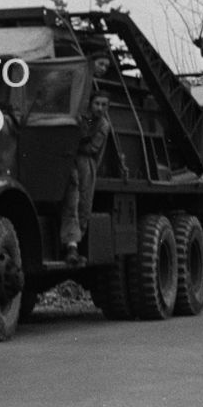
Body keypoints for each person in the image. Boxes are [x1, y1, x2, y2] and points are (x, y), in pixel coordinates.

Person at [59, 66, 116, 264]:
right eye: (97, 103)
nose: (100, 108)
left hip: (88, 166)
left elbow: (94, 151)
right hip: (73, 163)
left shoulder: (103, 126)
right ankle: (71, 246)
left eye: (104, 105)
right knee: (72, 203)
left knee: (84, 205)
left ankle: (75, 244)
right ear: (90, 103)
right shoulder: (81, 119)